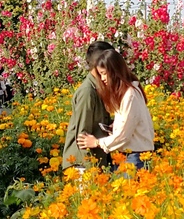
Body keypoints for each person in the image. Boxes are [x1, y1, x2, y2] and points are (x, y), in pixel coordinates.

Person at [77, 49, 155, 169]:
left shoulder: (130, 95)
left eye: (104, 73)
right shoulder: (128, 93)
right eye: (100, 74)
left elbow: (124, 136)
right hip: (130, 156)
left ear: (115, 71)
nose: (102, 78)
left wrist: (96, 142)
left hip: (135, 157)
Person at [62, 40, 114, 170]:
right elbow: (83, 137)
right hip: (83, 165)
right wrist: (90, 170)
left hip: (94, 163)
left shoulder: (99, 87)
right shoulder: (88, 91)